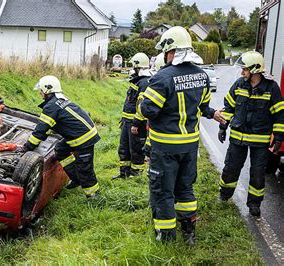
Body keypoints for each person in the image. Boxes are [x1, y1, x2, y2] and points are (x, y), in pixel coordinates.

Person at [140, 26, 226, 244]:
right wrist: (213, 113)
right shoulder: (202, 76)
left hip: (165, 148)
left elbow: (148, 111)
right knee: (185, 189)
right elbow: (203, 106)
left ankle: (166, 237)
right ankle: (189, 231)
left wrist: (142, 101)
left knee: (163, 192)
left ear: (170, 50)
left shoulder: (162, 77)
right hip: (189, 146)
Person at [218, 51, 283, 217]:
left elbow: (280, 115)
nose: (242, 72)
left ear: (255, 69)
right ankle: (224, 196)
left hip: (260, 142)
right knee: (231, 169)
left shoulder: (271, 88)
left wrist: (279, 138)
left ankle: (254, 205)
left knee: (257, 174)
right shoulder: (239, 85)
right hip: (238, 139)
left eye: (245, 69)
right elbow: (229, 107)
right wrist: (223, 127)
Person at [20, 75, 100, 198]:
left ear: (47, 90)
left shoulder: (51, 107)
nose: (40, 93)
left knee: (85, 168)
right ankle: (75, 178)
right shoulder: (60, 99)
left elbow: (40, 131)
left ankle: (93, 195)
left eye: (41, 90)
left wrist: (27, 147)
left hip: (84, 139)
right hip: (80, 134)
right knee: (61, 150)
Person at [112, 53, 151, 179]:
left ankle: (136, 174)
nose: (131, 69)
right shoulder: (137, 81)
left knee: (136, 150)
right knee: (123, 148)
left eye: (133, 66)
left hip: (136, 124)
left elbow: (141, 106)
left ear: (138, 66)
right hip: (127, 123)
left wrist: (136, 124)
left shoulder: (144, 82)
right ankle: (124, 173)